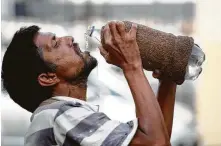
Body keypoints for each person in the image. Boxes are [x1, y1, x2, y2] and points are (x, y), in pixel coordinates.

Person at [1, 21, 177, 146]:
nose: (69, 38)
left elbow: (157, 136)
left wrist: (167, 80)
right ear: (48, 78)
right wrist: (131, 66)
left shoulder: (57, 115)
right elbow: (156, 142)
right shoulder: (60, 114)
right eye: (55, 44)